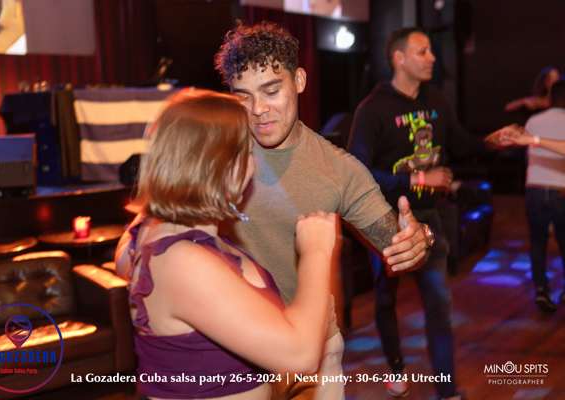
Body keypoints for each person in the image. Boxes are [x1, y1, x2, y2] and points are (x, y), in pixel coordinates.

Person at [214, 21, 432, 400]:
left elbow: (397, 244)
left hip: (314, 350)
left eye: (271, 91)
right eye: (243, 96)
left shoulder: (339, 169)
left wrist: (418, 241)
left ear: (299, 81)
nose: (259, 110)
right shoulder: (211, 156)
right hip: (232, 348)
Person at [115, 88, 340, 399]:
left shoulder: (148, 232)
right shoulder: (182, 261)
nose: (253, 165)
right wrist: (316, 250)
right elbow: (300, 356)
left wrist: (181, 129)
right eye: (248, 152)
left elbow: (125, 254)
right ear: (220, 165)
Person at [347, 27, 509, 399]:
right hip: (384, 222)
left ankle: (447, 391)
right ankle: (396, 369)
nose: (432, 58)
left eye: (431, 51)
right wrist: (419, 178)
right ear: (399, 58)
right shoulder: (373, 109)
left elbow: (461, 142)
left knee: (439, 304)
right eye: (423, 51)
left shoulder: (436, 100)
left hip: (430, 218)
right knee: (385, 299)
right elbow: (357, 172)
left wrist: (493, 141)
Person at [490, 79, 565, 312]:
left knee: (537, 241)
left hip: (535, 188)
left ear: (550, 97)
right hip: (561, 190)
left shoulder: (534, 121)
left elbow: (526, 156)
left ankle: (541, 289)